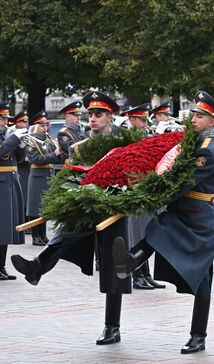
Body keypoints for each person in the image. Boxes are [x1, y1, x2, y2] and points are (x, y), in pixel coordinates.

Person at [11, 91, 131, 345]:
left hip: (113, 207)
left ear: (110, 116)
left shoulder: (122, 141)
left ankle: (112, 326)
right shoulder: (82, 144)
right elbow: (73, 174)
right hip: (87, 205)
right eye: (91, 115)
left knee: (113, 267)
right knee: (65, 230)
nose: (93, 118)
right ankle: (37, 266)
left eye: (98, 114)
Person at [111, 91, 214, 354]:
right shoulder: (200, 143)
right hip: (186, 212)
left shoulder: (206, 151)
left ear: (212, 121)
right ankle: (130, 261)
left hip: (198, 218)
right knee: (157, 230)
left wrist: (152, 196)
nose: (194, 119)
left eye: (199, 116)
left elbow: (184, 183)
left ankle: (198, 335)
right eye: (194, 114)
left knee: (203, 278)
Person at [119, 103, 165, 290]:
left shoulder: (148, 135)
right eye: (141, 120)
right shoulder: (127, 138)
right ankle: (137, 275)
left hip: (148, 190)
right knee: (137, 234)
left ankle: (146, 274)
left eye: (146, 120)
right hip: (135, 189)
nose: (145, 123)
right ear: (131, 120)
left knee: (146, 233)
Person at [25, 111, 64, 246]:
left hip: (47, 175)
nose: (45, 128)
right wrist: (55, 153)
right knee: (35, 207)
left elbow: (58, 156)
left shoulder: (47, 139)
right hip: (37, 176)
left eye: (45, 125)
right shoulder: (30, 140)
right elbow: (35, 159)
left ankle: (43, 234)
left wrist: (59, 149)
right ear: (35, 126)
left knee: (44, 207)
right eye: (42, 126)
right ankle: (36, 235)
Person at [0, 102, 26, 280]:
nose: (5, 121)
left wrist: (22, 145)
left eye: (6, 119)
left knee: (7, 228)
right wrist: (13, 140)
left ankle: (1, 266)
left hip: (10, 182)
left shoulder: (5, 134)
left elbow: (20, 160)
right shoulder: (6, 137)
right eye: (1, 118)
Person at [13, 111, 31, 227]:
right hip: (19, 168)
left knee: (27, 196)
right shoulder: (13, 134)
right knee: (22, 196)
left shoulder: (28, 134)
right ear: (17, 123)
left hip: (27, 168)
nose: (25, 124)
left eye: (26, 121)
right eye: (22, 121)